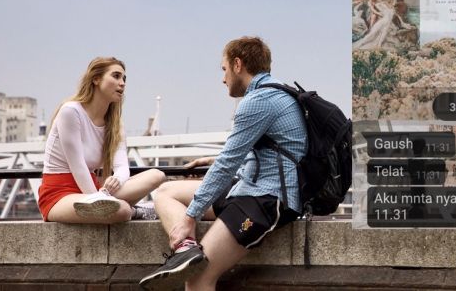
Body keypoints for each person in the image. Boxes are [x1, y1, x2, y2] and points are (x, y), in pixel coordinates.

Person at [139, 37, 307, 291]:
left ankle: (190, 251)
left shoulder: (259, 101)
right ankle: (187, 250)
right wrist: (215, 159)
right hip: (249, 188)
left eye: (224, 69)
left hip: (266, 200)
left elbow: (228, 165)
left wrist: (189, 218)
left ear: (238, 64)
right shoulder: (276, 94)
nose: (223, 78)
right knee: (165, 191)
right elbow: (266, 154)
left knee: (198, 279)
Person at [37, 57, 165, 223]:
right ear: (96, 79)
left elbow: (122, 167)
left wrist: (116, 180)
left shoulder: (115, 123)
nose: (122, 83)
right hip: (60, 196)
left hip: (96, 190)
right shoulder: (70, 112)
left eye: (124, 79)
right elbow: (79, 167)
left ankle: (117, 206)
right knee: (123, 211)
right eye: (116, 76)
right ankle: (136, 211)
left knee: (157, 175)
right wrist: (98, 199)